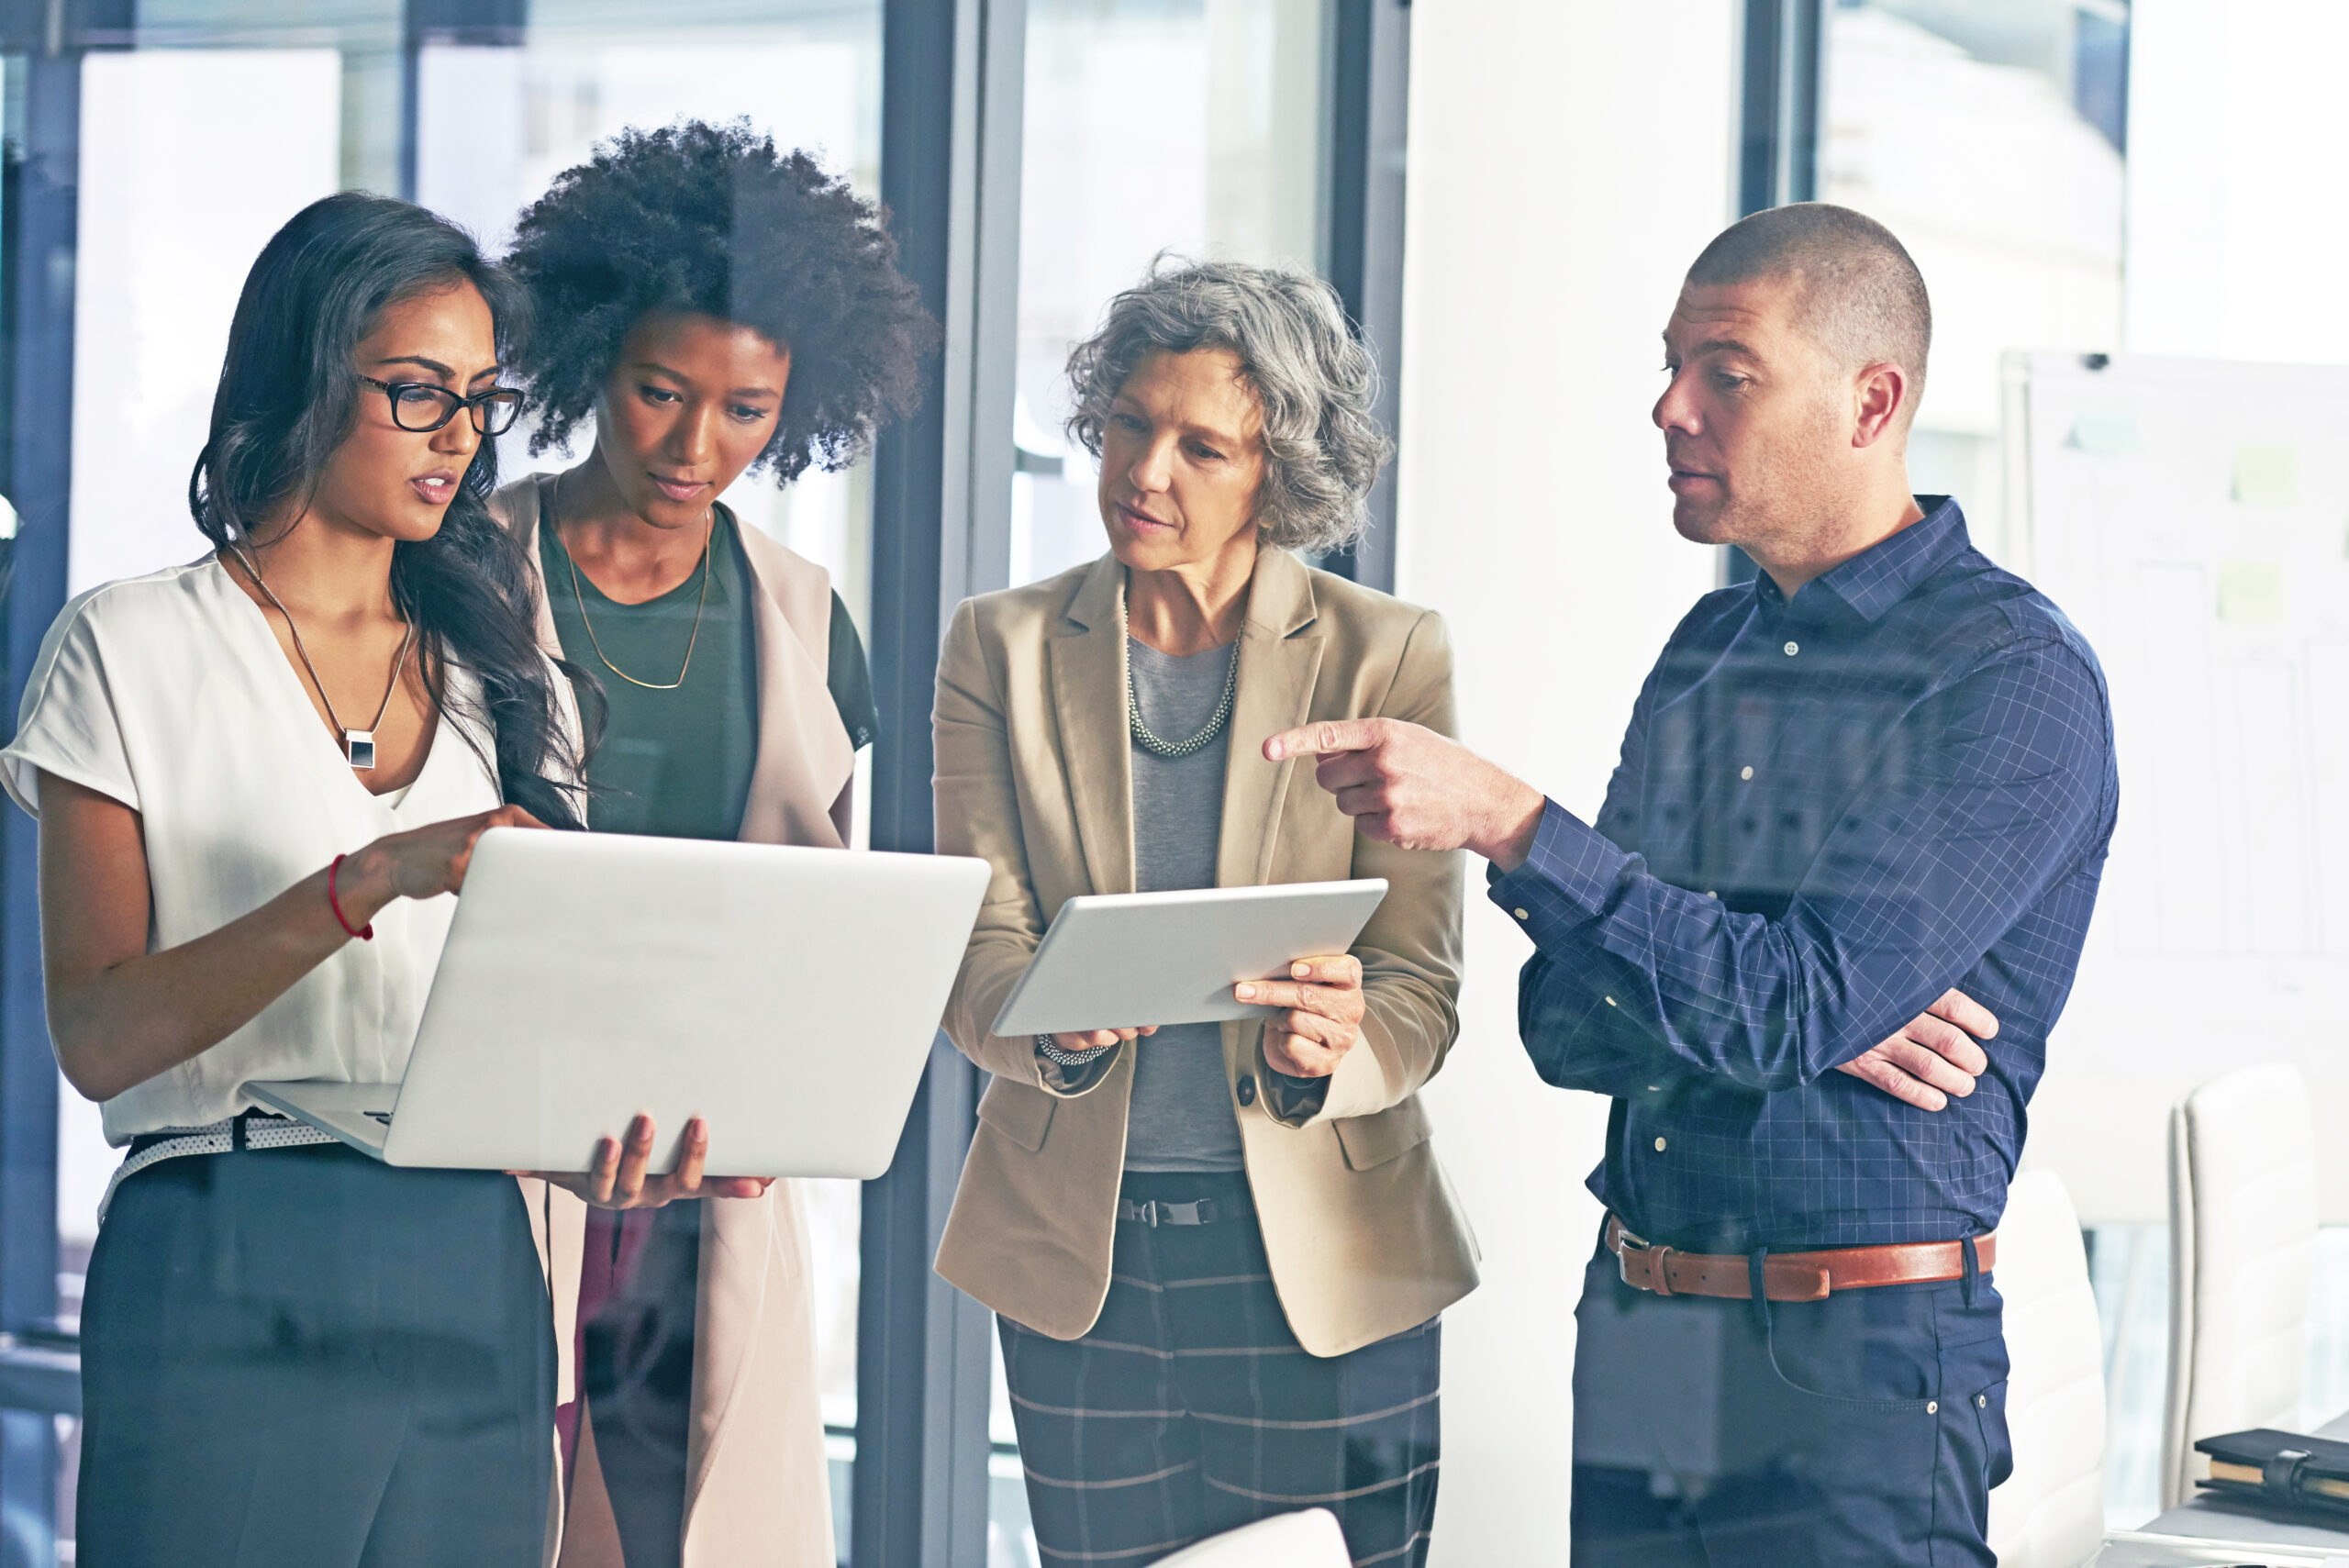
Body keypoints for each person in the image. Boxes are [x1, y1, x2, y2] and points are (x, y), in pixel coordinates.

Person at [1264, 204, 2119, 1565]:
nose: (1670, 408)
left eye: (1728, 372)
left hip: (1853, 1370)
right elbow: (1568, 1024)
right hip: (1644, 1331)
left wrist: (1517, 824)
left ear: (1871, 400)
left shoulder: (2010, 678)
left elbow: (1773, 1011)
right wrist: (1798, 993)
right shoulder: (1709, 650)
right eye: (1671, 365)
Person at [1, 194, 590, 1566]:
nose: (460, 437)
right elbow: (98, 1036)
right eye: (417, 392)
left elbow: (537, 1026)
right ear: (304, 374)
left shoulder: (512, 679)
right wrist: (368, 875)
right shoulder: (127, 647)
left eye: (481, 402)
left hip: (474, 1258)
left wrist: (618, 1147)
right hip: (225, 1247)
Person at [933, 259, 1470, 1567]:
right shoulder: (995, 645)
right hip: (1081, 1260)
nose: (1145, 470)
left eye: (1201, 446)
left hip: (1327, 1261)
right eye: (1129, 422)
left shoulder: (1386, 650)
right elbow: (976, 956)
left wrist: (1337, 1045)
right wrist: (1056, 1028)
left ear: (1276, 473)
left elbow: (1418, 984)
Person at [493, 120, 935, 1568]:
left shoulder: (805, 614)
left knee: (687, 1527)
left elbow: (827, 933)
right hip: (501, 1157)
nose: (696, 449)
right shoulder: (469, 575)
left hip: (714, 1180)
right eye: (658, 392)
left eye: (746, 411)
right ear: (589, 362)